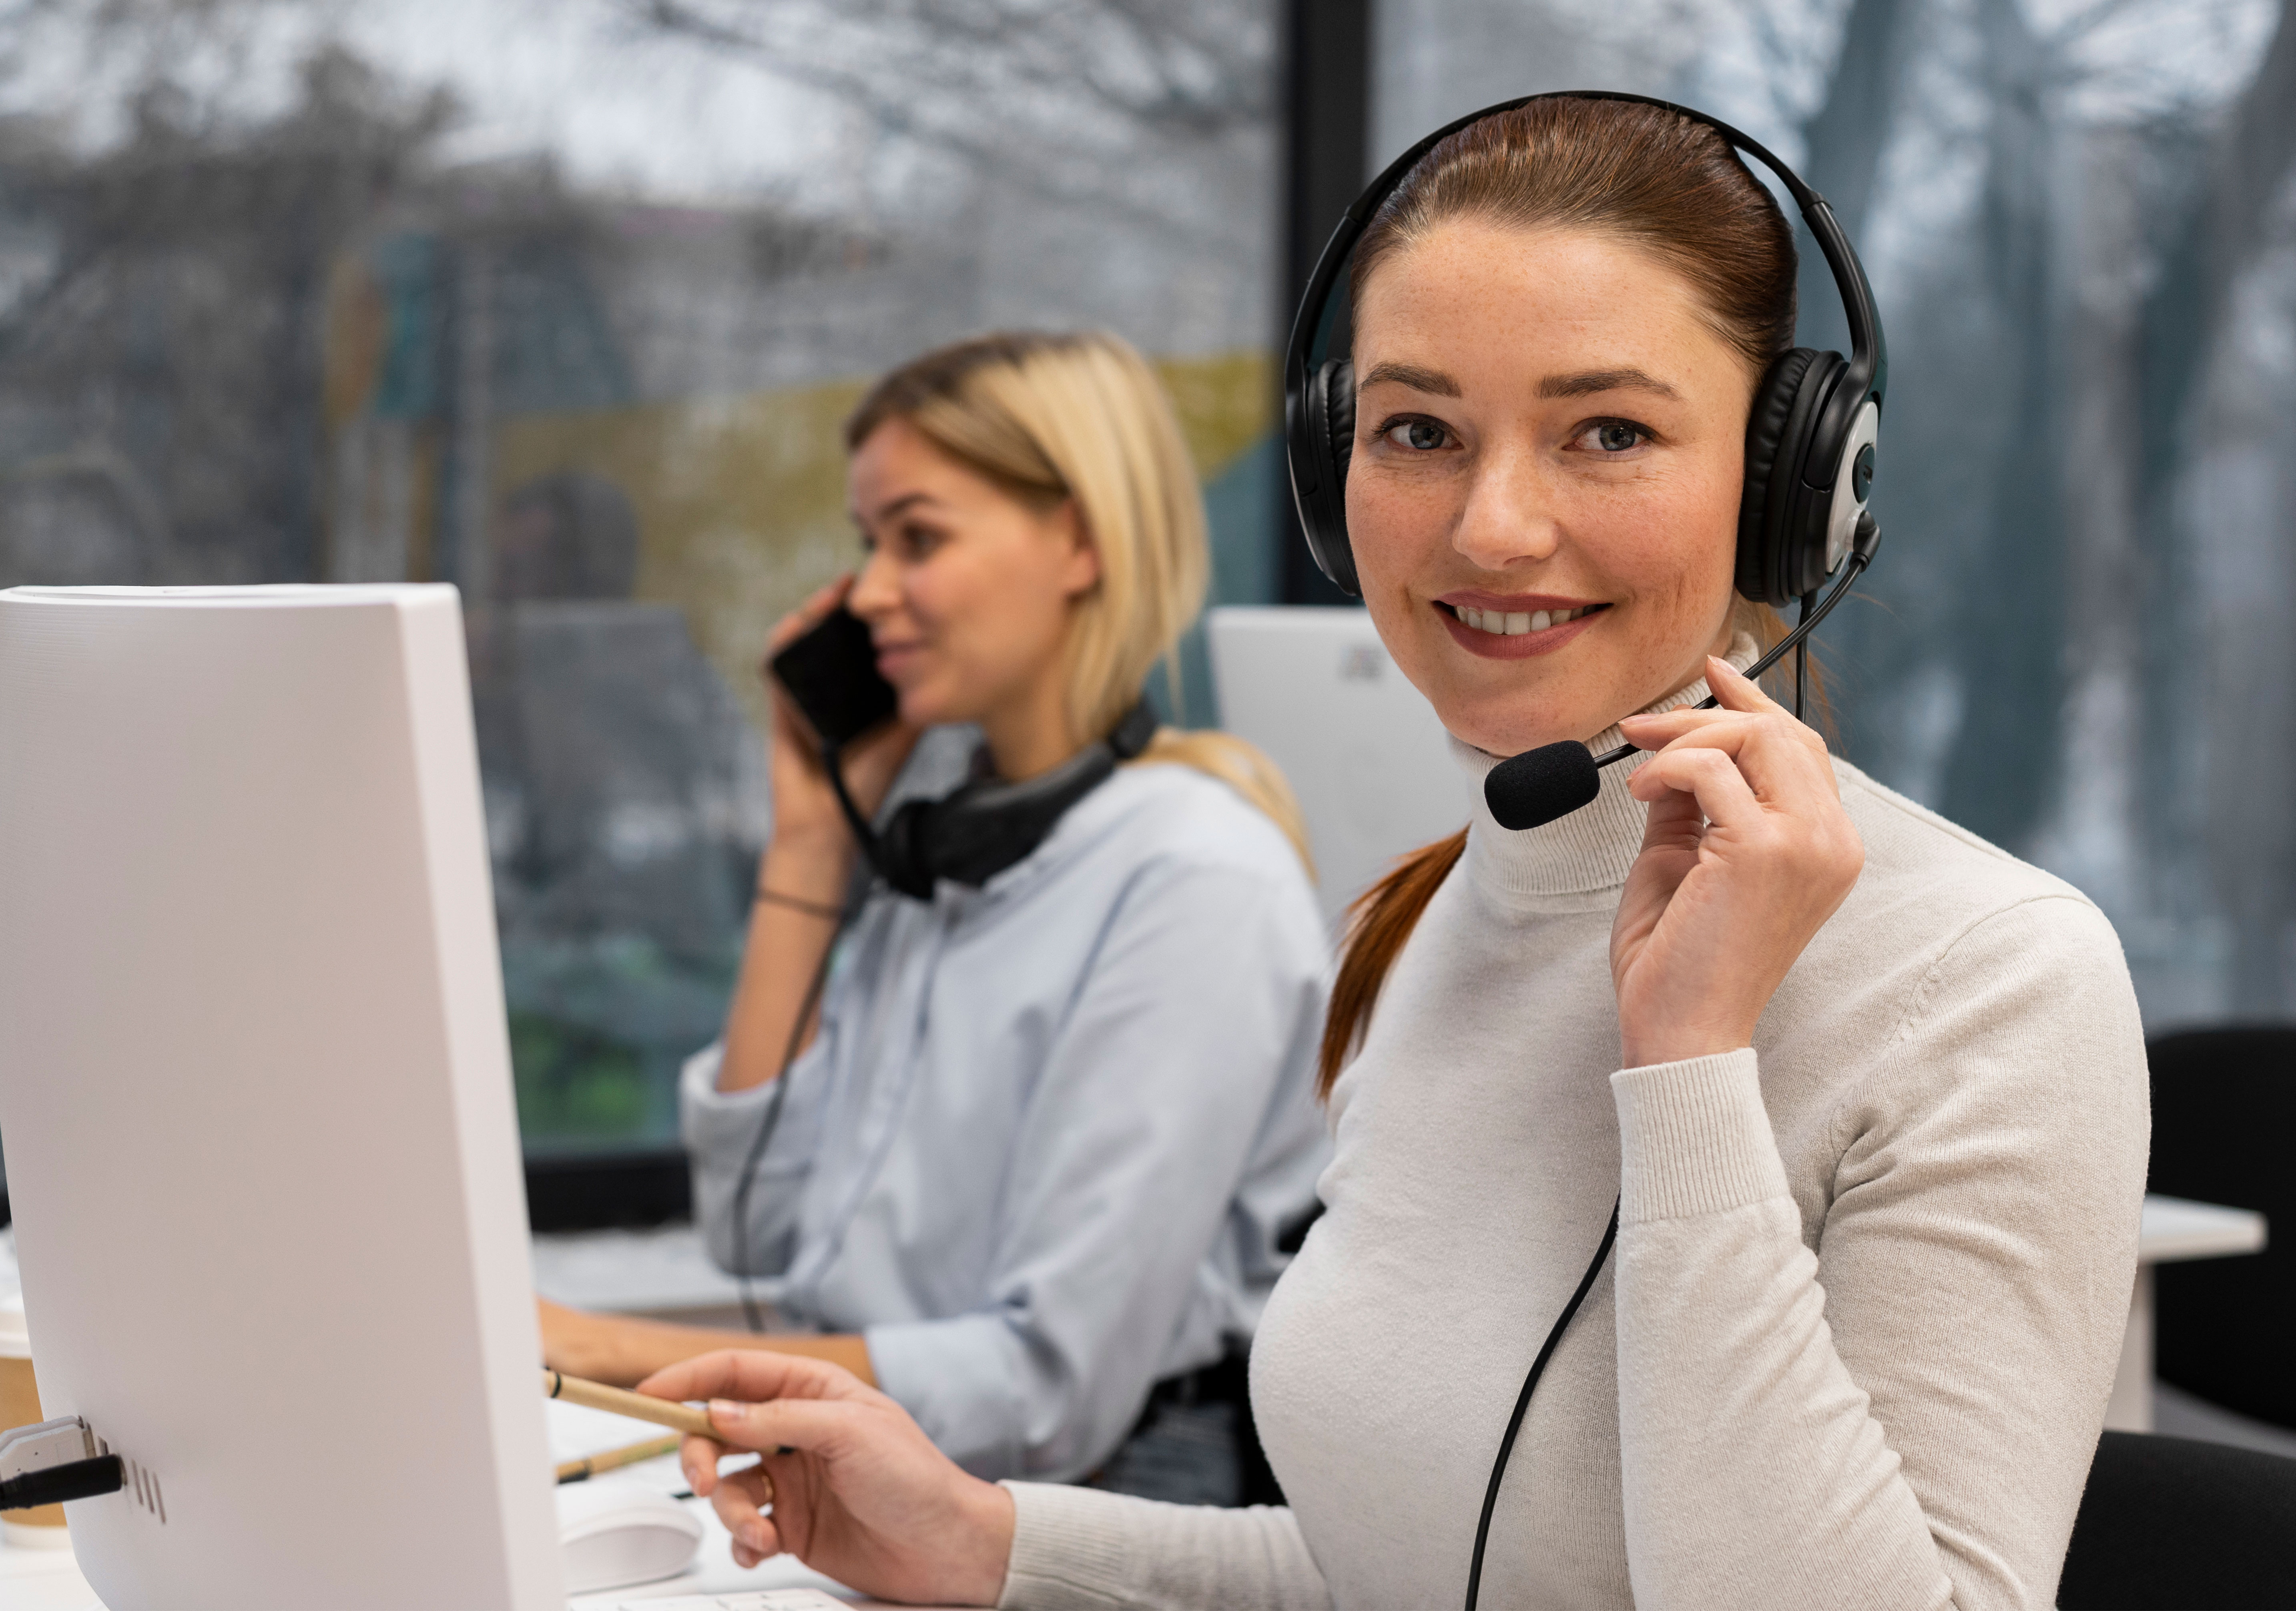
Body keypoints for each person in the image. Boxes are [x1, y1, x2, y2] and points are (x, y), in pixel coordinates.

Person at [633, 96, 2150, 1610]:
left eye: (1608, 432)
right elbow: (1414, 1565)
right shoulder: (1433, 923)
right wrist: (987, 1544)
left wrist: (1693, 1064)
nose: (1491, 529)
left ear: (1788, 490)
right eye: (1418, 431)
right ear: (1326, 468)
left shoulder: (1991, 983)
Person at [539, 330, 1332, 1502]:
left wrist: (614, 1351)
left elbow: (1043, 1393)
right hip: (883, 1471)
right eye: (868, 545)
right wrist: (811, 843)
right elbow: (755, 1230)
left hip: (1103, 1503)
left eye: (919, 538)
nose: (866, 594)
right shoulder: (943, 853)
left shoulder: (1194, 877)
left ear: (1077, 538)